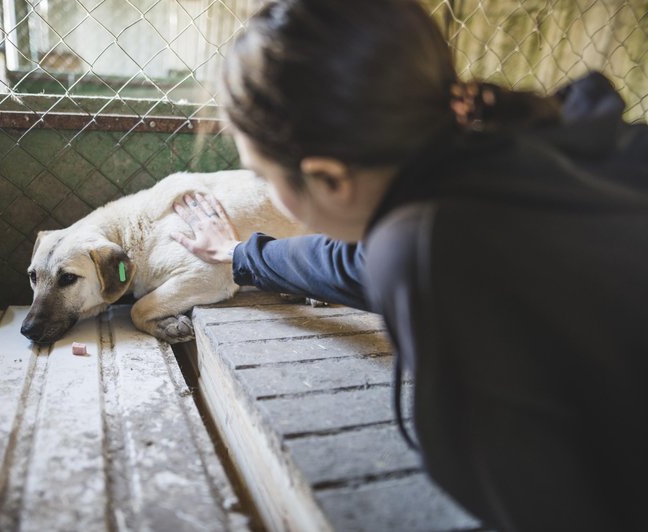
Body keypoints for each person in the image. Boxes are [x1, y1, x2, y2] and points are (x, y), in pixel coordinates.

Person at [171, 0, 648, 530]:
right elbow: (352, 263)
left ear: (329, 177)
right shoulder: (513, 146)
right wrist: (243, 255)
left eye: (263, 175)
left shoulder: (426, 245)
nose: (266, 190)